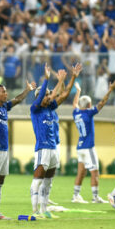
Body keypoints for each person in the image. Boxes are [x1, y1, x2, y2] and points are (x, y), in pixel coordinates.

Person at [0, 76, 36, 220]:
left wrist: (27, 90)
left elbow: (17, 99)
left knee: (0, 181)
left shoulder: (4, 107)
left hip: (4, 149)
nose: (6, 94)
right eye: (4, 92)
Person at [30, 63, 81, 219]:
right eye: (46, 94)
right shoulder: (35, 109)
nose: (49, 96)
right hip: (42, 148)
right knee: (38, 180)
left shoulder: (50, 108)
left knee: (48, 181)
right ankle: (35, 210)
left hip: (53, 148)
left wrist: (73, 77)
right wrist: (51, 80)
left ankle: (44, 209)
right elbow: (52, 95)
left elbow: (64, 95)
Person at [72, 80, 115, 204]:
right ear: (88, 105)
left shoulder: (75, 113)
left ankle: (75, 196)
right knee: (95, 172)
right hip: (88, 147)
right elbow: (102, 103)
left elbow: (75, 103)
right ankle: (95, 197)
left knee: (81, 172)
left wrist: (78, 91)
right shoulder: (88, 113)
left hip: (80, 146)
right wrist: (110, 90)